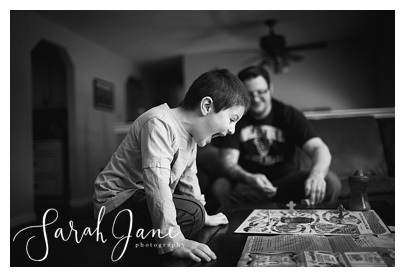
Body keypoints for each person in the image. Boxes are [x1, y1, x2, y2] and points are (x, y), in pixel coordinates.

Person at [94, 68, 250, 262]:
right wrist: (173, 240)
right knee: (191, 213)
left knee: (195, 212)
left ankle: (146, 245)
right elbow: (156, 184)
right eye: (232, 119)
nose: (232, 130)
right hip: (115, 209)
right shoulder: (158, 122)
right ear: (207, 106)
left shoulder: (191, 136)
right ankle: (138, 250)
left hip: (139, 201)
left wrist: (204, 215)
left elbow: (188, 179)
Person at [211, 66, 341, 207]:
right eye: (249, 94)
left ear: (271, 89)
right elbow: (227, 162)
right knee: (219, 188)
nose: (255, 99)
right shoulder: (235, 117)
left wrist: (317, 174)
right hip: (250, 184)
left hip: (288, 184)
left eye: (261, 92)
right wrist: (249, 178)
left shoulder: (289, 115)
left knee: (330, 181)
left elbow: (319, 149)